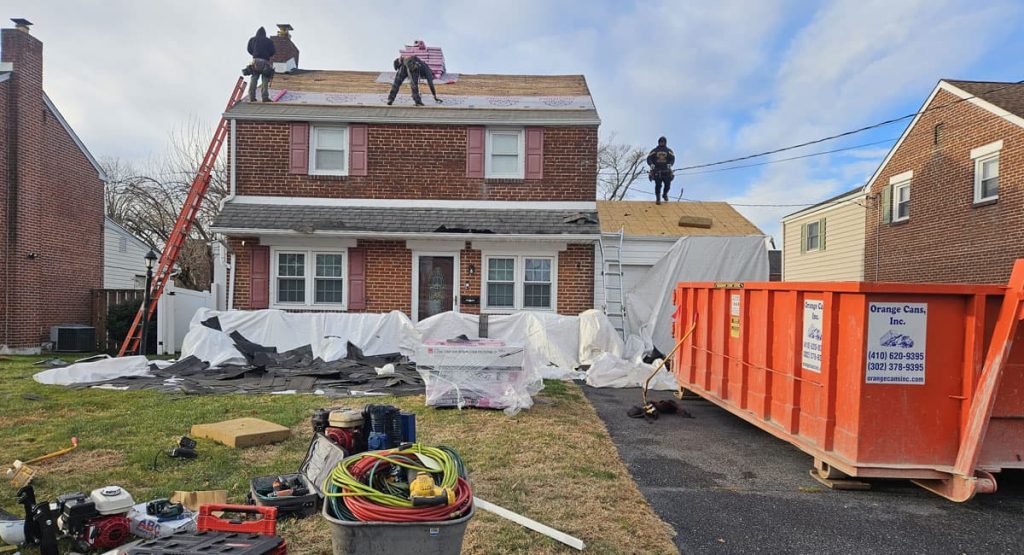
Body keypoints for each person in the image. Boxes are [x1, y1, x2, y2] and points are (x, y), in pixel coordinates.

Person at [245, 27, 276, 102]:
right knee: (265, 78)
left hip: (255, 60)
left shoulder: (253, 39)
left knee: (254, 77)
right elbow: (273, 51)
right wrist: (268, 55)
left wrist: (254, 53)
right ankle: (265, 97)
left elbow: (249, 49)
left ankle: (251, 96)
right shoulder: (268, 41)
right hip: (265, 61)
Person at [646, 137, 676, 204]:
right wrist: (651, 164)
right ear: (658, 142)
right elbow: (649, 158)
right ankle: (658, 199)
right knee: (658, 185)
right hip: (657, 171)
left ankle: (665, 194)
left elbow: (673, 158)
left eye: (663, 142)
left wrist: (670, 164)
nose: (661, 143)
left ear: (665, 142)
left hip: (666, 171)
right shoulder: (654, 150)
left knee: (667, 185)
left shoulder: (669, 151)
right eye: (660, 141)